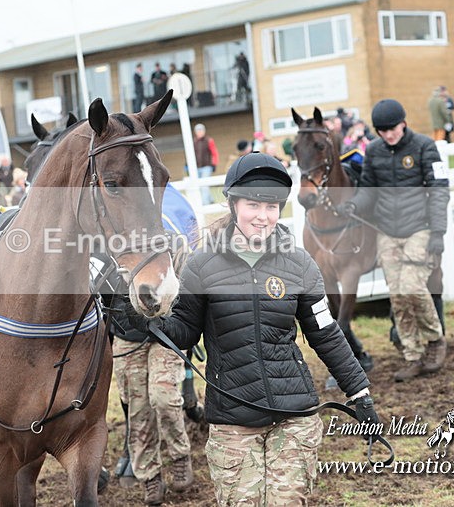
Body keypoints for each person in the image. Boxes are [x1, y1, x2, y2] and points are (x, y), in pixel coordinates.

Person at [135, 153, 379, 506]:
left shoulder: (299, 264)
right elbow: (185, 331)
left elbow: (326, 333)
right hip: (233, 420)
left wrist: (360, 394)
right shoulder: (201, 266)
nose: (263, 217)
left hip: (294, 416)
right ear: (233, 204)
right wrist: (148, 315)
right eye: (253, 205)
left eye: (272, 207)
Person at [337, 99, 450, 382]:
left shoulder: (425, 147)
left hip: (419, 228)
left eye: (392, 129)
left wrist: (438, 233)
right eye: (382, 130)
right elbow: (368, 191)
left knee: (412, 286)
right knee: (398, 297)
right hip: (387, 233)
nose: (388, 135)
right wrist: (353, 205)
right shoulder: (373, 151)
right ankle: (413, 355)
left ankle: (435, 340)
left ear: (404, 122)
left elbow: (439, 190)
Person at [109, 259, 194, 505]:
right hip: (126, 336)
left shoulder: (166, 243)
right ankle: (150, 476)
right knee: (138, 410)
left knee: (163, 396)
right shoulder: (109, 247)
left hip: (164, 331)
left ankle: (180, 455)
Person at [193, 123, 219, 204]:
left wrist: (214, 163)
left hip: (207, 166)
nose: (200, 132)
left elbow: (214, 152)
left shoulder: (209, 140)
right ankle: (211, 200)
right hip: (197, 167)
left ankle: (205, 203)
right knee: (201, 186)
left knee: (204, 185)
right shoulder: (193, 142)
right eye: (198, 130)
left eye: (201, 130)